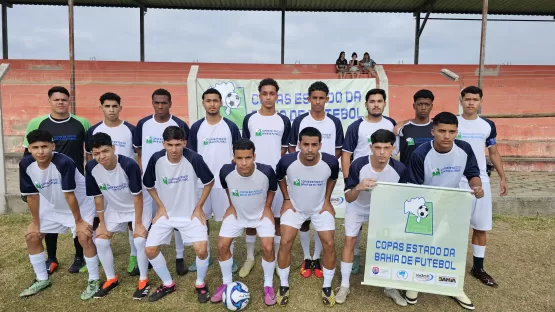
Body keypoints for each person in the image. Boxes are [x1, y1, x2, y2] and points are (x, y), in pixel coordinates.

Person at [406, 111, 484, 310]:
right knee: (421, 246)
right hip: (426, 206)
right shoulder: (420, 154)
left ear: (457, 132)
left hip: (454, 203)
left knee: (453, 247)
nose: (447, 136)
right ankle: (414, 283)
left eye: (452, 131)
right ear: (433, 131)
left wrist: (476, 186)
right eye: (442, 131)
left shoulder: (464, 149)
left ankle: (453, 286)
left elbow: (473, 174)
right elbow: (415, 189)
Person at [19, 130, 99, 299]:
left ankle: (94, 280)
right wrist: (35, 222)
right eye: (35, 147)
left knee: (84, 237)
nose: (40, 151)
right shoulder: (25, 165)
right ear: (29, 149)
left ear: (53, 146)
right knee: (32, 236)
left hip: (81, 204)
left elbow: (69, 194)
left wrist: (78, 221)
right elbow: (32, 195)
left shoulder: (64, 162)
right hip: (52, 205)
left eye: (44, 146)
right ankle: (42, 279)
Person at [23, 86, 91, 275]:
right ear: (49, 101)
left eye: (64, 99)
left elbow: (89, 152)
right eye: (56, 99)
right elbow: (27, 153)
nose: (60, 102)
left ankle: (79, 257)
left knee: (77, 221)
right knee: (49, 217)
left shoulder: (81, 123)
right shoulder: (38, 123)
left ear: (69, 101)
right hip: (47, 181)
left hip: (74, 180)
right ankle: (51, 258)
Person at [336, 129, 408, 306]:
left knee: (388, 244)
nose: (382, 152)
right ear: (371, 147)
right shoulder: (359, 164)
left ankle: (389, 286)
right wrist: (359, 187)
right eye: (377, 147)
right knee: (350, 240)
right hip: (358, 208)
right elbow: (348, 197)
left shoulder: (400, 169)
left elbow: (404, 197)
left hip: (383, 210)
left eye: (386, 147)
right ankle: (344, 285)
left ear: (393, 148)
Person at [142, 126, 214, 303]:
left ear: (184, 143)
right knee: (150, 250)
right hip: (166, 214)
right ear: (163, 143)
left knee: (201, 249)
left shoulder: (194, 158)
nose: (174, 150)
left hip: (190, 214)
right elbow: (148, 184)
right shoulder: (156, 159)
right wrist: (160, 206)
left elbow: (209, 182)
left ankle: (200, 284)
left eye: (178, 145)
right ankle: (168, 284)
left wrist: (199, 207)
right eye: (170, 145)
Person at [276, 127, 340, 307]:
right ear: (299, 145)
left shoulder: (331, 162)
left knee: (329, 243)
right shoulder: (286, 161)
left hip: (320, 208)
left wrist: (327, 200)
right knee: (285, 242)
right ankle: (283, 284)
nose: (310, 149)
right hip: (295, 207)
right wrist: (287, 199)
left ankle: (327, 286)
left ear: (320, 145)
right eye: (306, 144)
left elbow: (333, 178)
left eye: (314, 145)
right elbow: (279, 177)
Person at [211, 139, 278, 306]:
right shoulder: (225, 171)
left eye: (248, 157)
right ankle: (226, 284)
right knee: (222, 246)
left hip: (261, 214)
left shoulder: (267, 171)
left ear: (254, 156)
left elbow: (273, 189)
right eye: (239, 158)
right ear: (233, 157)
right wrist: (231, 205)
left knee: (268, 248)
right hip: (237, 214)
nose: (243, 163)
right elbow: (228, 187)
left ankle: (268, 285)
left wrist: (268, 207)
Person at [85, 133, 152, 299]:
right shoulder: (91, 167)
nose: (101, 156)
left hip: (139, 204)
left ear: (113, 148)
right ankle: (111, 279)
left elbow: (137, 196)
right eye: (96, 153)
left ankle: (144, 280)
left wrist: (138, 223)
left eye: (105, 151)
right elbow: (98, 197)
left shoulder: (128, 164)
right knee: (100, 239)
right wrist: (102, 223)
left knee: (139, 239)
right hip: (115, 207)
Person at [288, 81, 343, 279]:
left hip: (323, 178)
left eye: (322, 98)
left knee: (321, 216)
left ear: (327, 99)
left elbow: (338, 149)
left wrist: (324, 168)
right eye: (314, 98)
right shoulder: (300, 121)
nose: (318, 102)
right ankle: (306, 256)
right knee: (303, 219)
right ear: (308, 98)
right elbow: (292, 149)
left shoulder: (334, 122)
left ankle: (317, 258)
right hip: (301, 178)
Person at [133, 88, 190, 276]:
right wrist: (143, 172)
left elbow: (185, 153)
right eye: (156, 102)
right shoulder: (143, 124)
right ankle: (149, 254)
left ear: (170, 104)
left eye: (164, 102)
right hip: (150, 181)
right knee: (149, 218)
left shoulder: (180, 124)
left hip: (174, 179)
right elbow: (139, 152)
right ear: (152, 103)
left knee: (177, 216)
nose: (160, 106)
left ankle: (179, 257)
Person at [457, 86, 508, 287]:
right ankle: (453, 263)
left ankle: (478, 268)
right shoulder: (452, 122)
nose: (471, 103)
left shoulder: (487, 125)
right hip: (456, 180)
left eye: (475, 99)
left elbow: (493, 152)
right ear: (461, 100)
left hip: (481, 180)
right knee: (455, 226)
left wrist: (503, 177)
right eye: (467, 99)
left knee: (481, 226)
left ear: (480, 102)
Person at [341, 88, 396, 274]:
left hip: (383, 182)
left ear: (384, 104)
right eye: (372, 101)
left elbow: (395, 153)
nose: (376, 104)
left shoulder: (391, 124)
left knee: (380, 225)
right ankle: (354, 256)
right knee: (355, 225)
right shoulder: (356, 126)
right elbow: (346, 154)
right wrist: (350, 181)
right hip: (360, 179)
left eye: (379, 101)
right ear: (366, 104)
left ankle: (377, 262)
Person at [85, 92, 140, 276]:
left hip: (125, 181)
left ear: (120, 108)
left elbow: (137, 154)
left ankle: (134, 255)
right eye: (107, 106)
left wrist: (137, 173)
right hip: (105, 182)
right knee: (99, 218)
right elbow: (89, 157)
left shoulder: (130, 129)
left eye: (114, 106)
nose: (111, 109)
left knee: (133, 222)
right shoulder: (93, 130)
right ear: (101, 108)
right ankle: (91, 256)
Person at [187, 88, 241, 273]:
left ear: (221, 103)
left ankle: (229, 256)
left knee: (228, 220)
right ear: (203, 103)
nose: (212, 104)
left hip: (224, 184)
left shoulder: (231, 126)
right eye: (208, 100)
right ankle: (205, 255)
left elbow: (238, 154)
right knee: (202, 219)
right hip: (202, 184)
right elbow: (191, 156)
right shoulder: (196, 127)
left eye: (215, 100)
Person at [242, 78, 291, 277]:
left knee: (277, 218)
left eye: (272, 94)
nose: (268, 97)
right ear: (259, 95)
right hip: (253, 177)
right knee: (250, 219)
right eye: (264, 93)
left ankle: (279, 259)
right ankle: (250, 257)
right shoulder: (250, 119)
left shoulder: (284, 121)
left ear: (276, 96)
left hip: (276, 178)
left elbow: (284, 151)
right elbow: (244, 148)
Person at [394, 89, 435, 166]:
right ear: (414, 106)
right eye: (420, 104)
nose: (423, 107)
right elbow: (392, 153)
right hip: (409, 175)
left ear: (431, 106)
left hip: (432, 175)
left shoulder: (437, 128)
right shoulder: (402, 128)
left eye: (427, 104)